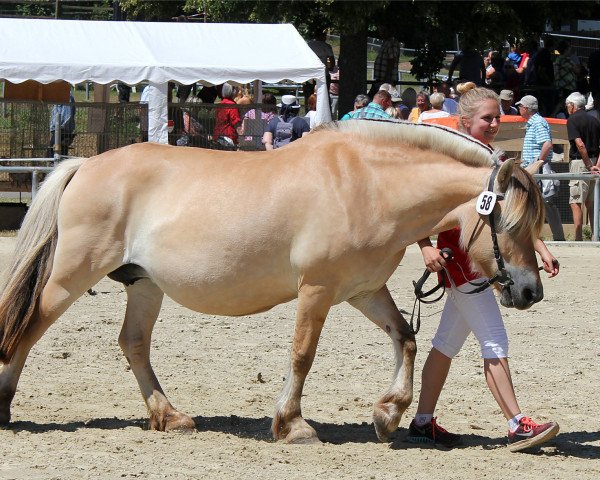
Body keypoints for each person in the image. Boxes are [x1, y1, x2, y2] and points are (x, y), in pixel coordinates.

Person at [408, 85, 561, 453]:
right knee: (494, 340)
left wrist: (539, 246)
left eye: (497, 117)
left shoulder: (494, 161)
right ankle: (516, 424)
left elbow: (505, 219)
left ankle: (422, 422)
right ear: (464, 122)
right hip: (461, 262)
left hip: (479, 262)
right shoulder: (452, 162)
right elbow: (419, 209)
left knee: (445, 346)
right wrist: (425, 247)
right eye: (486, 118)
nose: (494, 123)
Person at [517, 94, 565, 241]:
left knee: (544, 202)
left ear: (525, 108)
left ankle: (556, 237)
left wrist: (538, 162)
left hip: (537, 168)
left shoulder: (537, 122)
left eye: (520, 106)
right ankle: (541, 236)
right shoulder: (536, 122)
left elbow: (547, 144)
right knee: (538, 202)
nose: (518, 109)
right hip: (534, 167)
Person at [565, 92, 600, 241]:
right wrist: (597, 164)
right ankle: (595, 235)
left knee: (576, 201)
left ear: (572, 105)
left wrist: (588, 165)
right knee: (591, 202)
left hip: (581, 163)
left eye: (567, 105)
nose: (567, 108)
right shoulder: (595, 120)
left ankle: (578, 238)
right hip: (594, 161)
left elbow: (580, 144)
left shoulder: (572, 120)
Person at [368, 25, 400, 97]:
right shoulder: (385, 42)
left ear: (389, 31)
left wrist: (387, 77)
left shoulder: (392, 42)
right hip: (380, 79)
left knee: (375, 98)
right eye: (380, 31)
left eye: (383, 31)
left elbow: (392, 59)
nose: (381, 33)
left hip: (386, 79)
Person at [213, 82, 241, 149]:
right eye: (236, 89)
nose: (238, 91)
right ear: (232, 91)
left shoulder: (220, 105)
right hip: (228, 136)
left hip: (217, 135)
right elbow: (235, 122)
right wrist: (241, 133)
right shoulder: (232, 105)